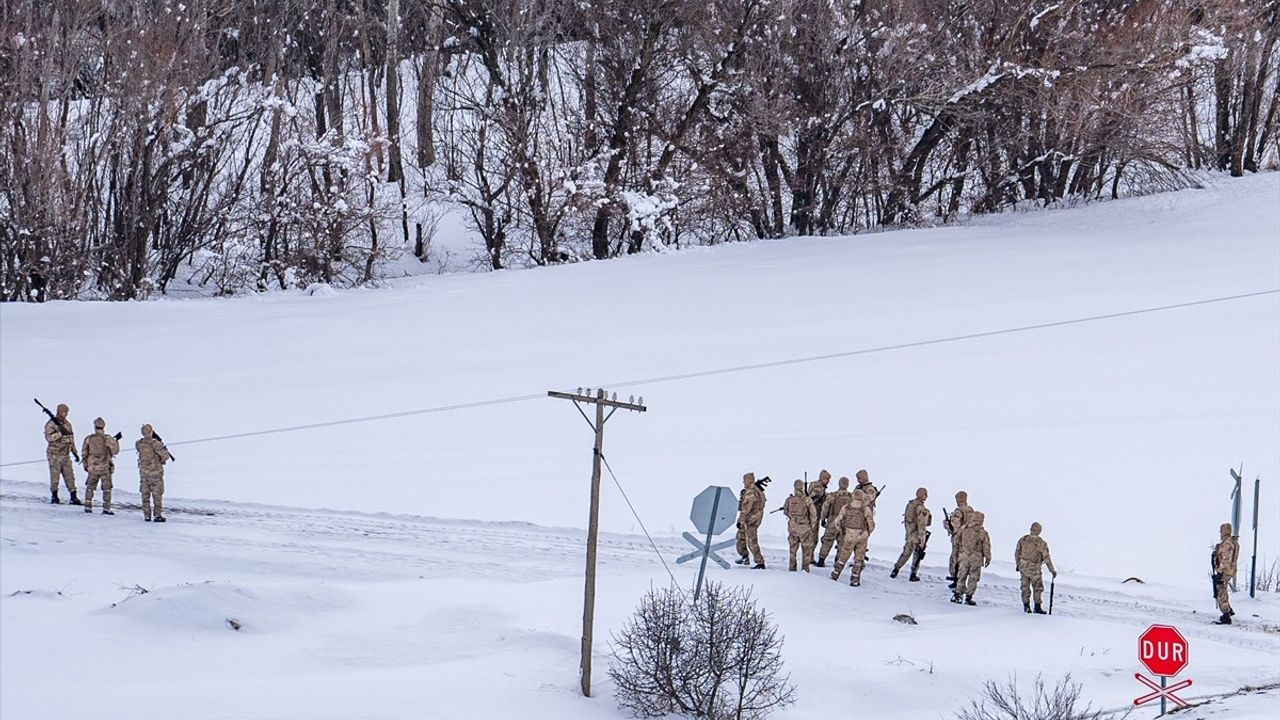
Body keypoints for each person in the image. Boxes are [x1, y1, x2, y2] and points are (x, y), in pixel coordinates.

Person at [830, 491, 874, 587]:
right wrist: (867, 533)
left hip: (848, 536)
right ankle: (854, 580)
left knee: (843, 556)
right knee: (859, 559)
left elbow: (837, 521)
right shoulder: (865, 509)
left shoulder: (846, 507)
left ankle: (835, 575)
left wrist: (843, 531)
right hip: (861, 536)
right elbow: (871, 524)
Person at [1014, 522, 1057, 614]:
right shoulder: (1041, 543)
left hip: (1023, 567)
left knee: (1025, 588)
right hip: (1035, 570)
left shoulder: (1023, 539)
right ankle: (1037, 607)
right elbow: (1047, 558)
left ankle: (1026, 607)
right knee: (1037, 588)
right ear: (1039, 531)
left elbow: (1017, 553)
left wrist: (1018, 564)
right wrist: (1052, 570)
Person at [80, 418, 120, 515]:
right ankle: (106, 508)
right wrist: (116, 442)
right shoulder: (107, 439)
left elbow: (84, 452)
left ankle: (87, 506)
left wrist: (86, 464)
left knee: (90, 487)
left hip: (92, 467)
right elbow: (116, 451)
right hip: (105, 467)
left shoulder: (89, 438)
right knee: (107, 488)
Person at [891, 487, 932, 581]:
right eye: (925, 494)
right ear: (921, 495)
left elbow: (908, 521)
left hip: (909, 534)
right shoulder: (920, 508)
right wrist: (922, 540)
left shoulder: (910, 505)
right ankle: (913, 574)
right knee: (917, 555)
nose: (927, 497)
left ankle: (896, 569)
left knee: (906, 553)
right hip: (917, 535)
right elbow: (922, 525)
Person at [952, 511, 991, 606]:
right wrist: (988, 557)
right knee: (973, 578)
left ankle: (958, 594)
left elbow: (956, 541)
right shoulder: (982, 533)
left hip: (963, 556)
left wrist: (956, 555)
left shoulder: (964, 529)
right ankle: (968, 597)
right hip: (976, 559)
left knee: (961, 576)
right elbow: (986, 547)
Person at [44, 403, 80, 505]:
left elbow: (71, 439)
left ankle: (73, 497)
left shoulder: (68, 424)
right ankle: (54, 496)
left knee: (70, 476)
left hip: (65, 454)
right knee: (55, 477)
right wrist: (59, 434)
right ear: (59, 411)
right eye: (65, 411)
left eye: (67, 412)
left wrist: (75, 452)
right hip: (54, 454)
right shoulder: (51, 424)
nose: (67, 414)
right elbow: (49, 438)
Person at [136, 424, 173, 522]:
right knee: (157, 494)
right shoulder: (156, 444)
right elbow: (165, 456)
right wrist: (163, 448)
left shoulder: (138, 443)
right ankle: (157, 515)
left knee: (145, 494)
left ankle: (147, 515)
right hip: (155, 472)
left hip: (144, 472)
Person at [816, 476, 853, 567]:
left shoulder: (833, 495)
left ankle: (821, 560)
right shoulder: (852, 497)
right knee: (842, 543)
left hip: (833, 521)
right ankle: (838, 561)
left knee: (827, 541)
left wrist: (823, 519)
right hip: (845, 523)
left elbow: (825, 507)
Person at [784, 479, 818, 572]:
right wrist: (812, 526)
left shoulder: (789, 499)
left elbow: (785, 512)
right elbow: (813, 515)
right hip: (804, 527)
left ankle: (792, 568)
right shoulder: (807, 500)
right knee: (806, 549)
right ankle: (805, 568)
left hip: (792, 527)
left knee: (792, 549)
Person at [735, 473, 766, 569]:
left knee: (751, 541)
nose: (743, 482)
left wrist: (740, 520)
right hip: (753, 518)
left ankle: (760, 562)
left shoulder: (750, 492)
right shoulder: (757, 490)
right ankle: (744, 557)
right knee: (741, 537)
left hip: (750, 520)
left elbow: (746, 509)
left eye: (744, 480)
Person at [947, 491, 976, 588]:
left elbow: (954, 528)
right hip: (969, 539)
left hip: (959, 538)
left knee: (955, 559)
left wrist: (946, 524)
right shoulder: (970, 510)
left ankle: (956, 580)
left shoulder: (958, 511)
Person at [1212, 522, 1240, 625]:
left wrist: (1220, 570)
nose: (1220, 532)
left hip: (1225, 570)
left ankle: (1226, 614)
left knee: (1221, 591)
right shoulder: (1231, 542)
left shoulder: (1227, 543)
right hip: (1230, 569)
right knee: (1222, 589)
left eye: (1221, 530)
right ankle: (1228, 609)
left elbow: (1226, 559)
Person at [805, 470, 831, 565]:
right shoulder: (819, 488)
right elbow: (811, 497)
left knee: (811, 537)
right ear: (822, 478)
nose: (828, 481)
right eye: (827, 479)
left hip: (812, 514)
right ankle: (809, 558)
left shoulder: (815, 485)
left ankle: (809, 557)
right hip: (814, 515)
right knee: (813, 538)